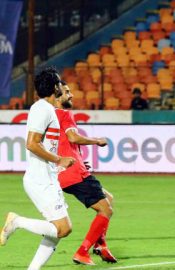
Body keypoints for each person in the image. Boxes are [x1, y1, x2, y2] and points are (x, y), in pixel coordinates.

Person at [0, 67, 75, 270]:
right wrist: (59, 160)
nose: (62, 86)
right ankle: (17, 222)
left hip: (46, 177)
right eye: (59, 83)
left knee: (56, 230)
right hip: (41, 178)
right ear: (54, 87)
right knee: (64, 228)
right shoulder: (42, 108)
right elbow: (32, 143)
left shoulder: (46, 109)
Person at [55, 82, 117, 265]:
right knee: (106, 210)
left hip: (64, 173)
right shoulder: (65, 114)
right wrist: (97, 141)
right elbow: (73, 137)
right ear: (57, 97)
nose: (71, 95)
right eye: (67, 92)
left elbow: (64, 143)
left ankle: (101, 244)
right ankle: (83, 251)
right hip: (75, 173)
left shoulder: (51, 116)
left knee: (108, 198)